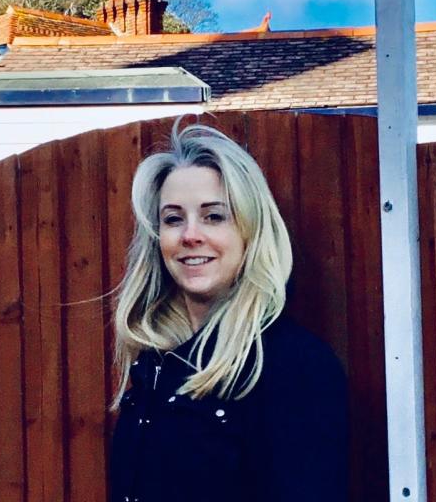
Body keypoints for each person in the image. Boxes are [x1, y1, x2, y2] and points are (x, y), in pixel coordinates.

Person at [109, 120, 349, 502]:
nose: (190, 235)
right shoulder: (156, 367)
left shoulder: (295, 366)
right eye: (173, 219)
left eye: (214, 216)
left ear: (250, 231)